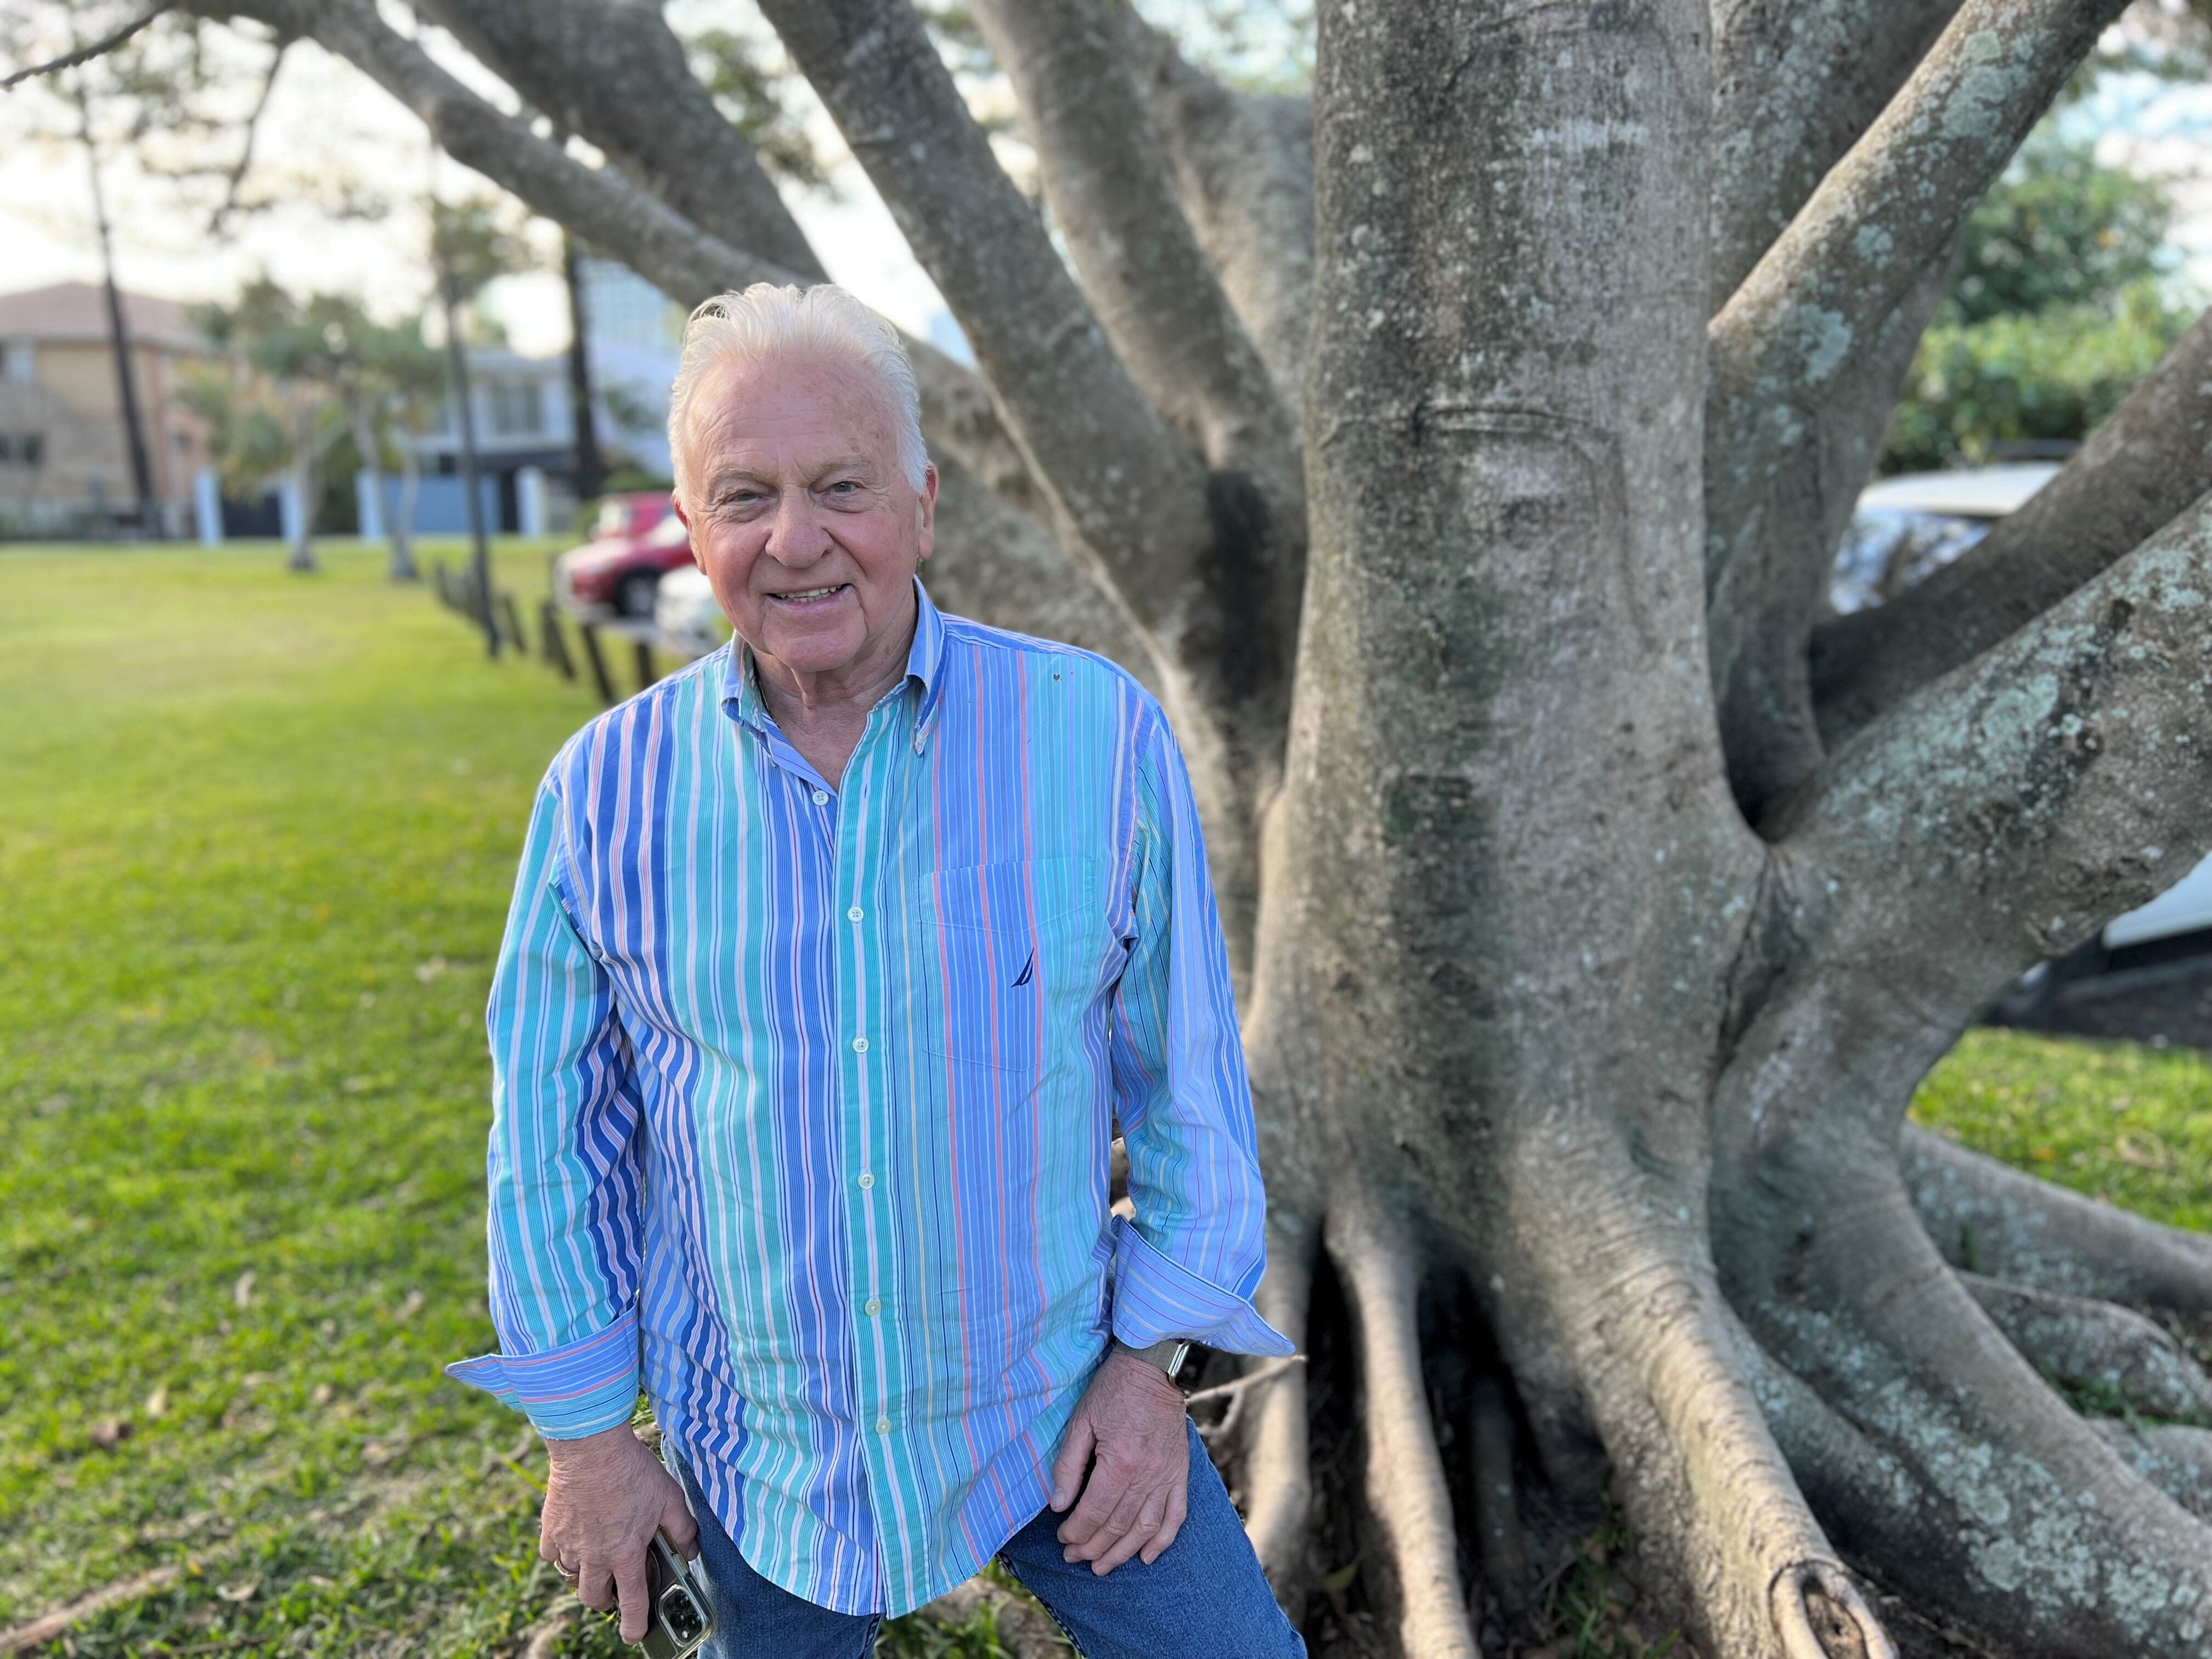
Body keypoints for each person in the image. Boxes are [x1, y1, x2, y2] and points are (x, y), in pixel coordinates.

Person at [448, 283, 1304, 1659]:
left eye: (842, 485)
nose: (796, 541)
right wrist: (590, 1444)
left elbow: (1189, 1087)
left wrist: (1147, 1374)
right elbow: (555, 1147)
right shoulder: (603, 792)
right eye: (744, 496)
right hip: (761, 1453)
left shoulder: (1095, 740)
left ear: (922, 499)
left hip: (1052, 1406)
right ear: (689, 520)